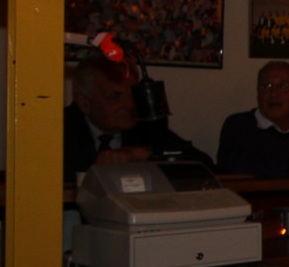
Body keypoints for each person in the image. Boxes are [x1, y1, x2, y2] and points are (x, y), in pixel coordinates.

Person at [64, 52, 213, 179]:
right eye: (116, 96)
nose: (130, 104)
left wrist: (141, 154)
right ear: (84, 103)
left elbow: (204, 165)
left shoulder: (144, 124)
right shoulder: (61, 129)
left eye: (133, 94)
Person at [216, 61, 289, 177]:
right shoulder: (239, 125)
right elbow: (236, 165)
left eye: (283, 86)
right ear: (258, 93)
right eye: (266, 86)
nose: (273, 93)